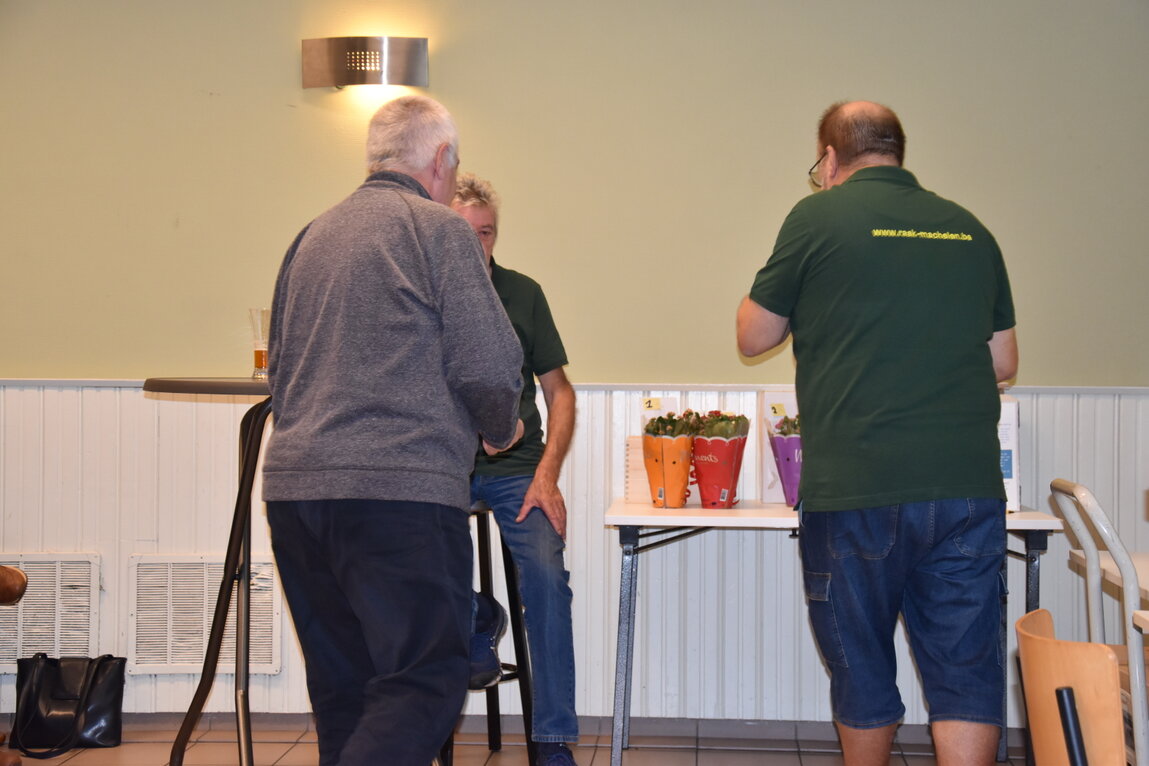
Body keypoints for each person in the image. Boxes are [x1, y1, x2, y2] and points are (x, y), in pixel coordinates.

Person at [736, 101, 1018, 766]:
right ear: (896, 151)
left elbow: (754, 336)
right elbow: (1003, 361)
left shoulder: (816, 217)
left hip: (855, 487)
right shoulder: (969, 228)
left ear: (830, 159)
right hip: (964, 487)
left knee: (861, 666)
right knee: (964, 676)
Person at [262, 95, 525, 766]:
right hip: (398, 493)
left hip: (297, 494)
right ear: (439, 159)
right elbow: (488, 363)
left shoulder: (312, 235)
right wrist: (501, 427)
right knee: (424, 681)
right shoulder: (437, 230)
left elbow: (280, 371)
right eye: (454, 165)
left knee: (345, 689)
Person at [451, 173, 580, 766]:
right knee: (410, 561)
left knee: (548, 580)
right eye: (464, 233)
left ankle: (551, 741)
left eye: (486, 232)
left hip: (518, 470)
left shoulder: (523, 293)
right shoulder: (420, 293)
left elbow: (560, 393)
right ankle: (478, 615)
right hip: (443, 469)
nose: (477, 244)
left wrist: (547, 475)